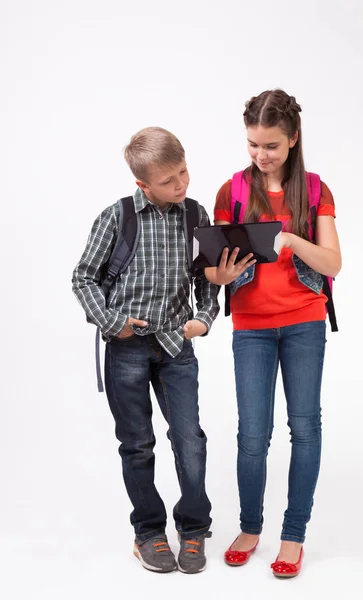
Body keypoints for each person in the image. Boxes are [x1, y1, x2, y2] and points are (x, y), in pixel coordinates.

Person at [205, 89, 341, 577]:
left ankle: (294, 535)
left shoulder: (316, 190)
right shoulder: (232, 191)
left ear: (293, 139)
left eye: (271, 146)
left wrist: (290, 238)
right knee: (252, 435)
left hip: (304, 321)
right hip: (252, 328)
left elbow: (333, 264)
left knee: (304, 428)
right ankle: (250, 525)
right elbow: (213, 268)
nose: (261, 156)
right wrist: (218, 276)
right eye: (253, 145)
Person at [72, 127, 219, 574]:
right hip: (129, 348)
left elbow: (208, 276)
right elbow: (84, 278)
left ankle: (193, 529)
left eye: (184, 171)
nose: (182, 184)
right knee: (137, 445)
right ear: (143, 184)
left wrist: (205, 318)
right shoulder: (117, 217)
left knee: (189, 439)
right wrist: (115, 325)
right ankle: (149, 532)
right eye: (170, 180)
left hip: (177, 346)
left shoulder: (195, 214)